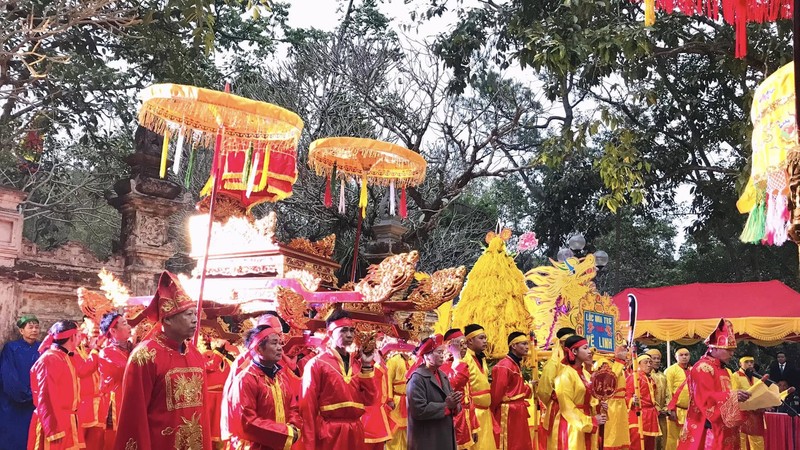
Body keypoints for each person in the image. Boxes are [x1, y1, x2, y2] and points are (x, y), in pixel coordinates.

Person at [113, 271, 212, 450]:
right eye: (188, 315)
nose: (195, 320)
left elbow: (203, 414)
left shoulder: (195, 354)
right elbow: (134, 417)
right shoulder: (145, 356)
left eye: (194, 314)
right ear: (168, 319)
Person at [299, 309, 377, 450]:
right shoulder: (317, 364)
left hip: (355, 431)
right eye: (343, 330)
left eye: (352, 330)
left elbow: (370, 400)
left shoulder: (357, 364)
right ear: (330, 333)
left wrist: (366, 365)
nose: (349, 335)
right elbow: (307, 409)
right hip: (329, 433)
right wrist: (309, 444)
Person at [677, 319, 750, 450]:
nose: (732, 354)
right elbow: (705, 399)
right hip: (707, 427)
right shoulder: (703, 367)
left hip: (724, 425)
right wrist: (732, 395)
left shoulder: (723, 369)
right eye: (729, 350)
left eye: (733, 350)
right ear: (715, 348)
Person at [225, 324, 301, 450]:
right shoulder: (246, 379)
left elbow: (293, 408)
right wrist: (286, 432)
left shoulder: (281, 376)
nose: (280, 349)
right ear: (259, 349)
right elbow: (247, 421)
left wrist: (294, 427)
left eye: (280, 343)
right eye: (274, 343)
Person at [28, 320, 83, 450]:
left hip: (68, 421)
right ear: (72, 337)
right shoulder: (50, 359)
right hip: (54, 424)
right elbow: (45, 397)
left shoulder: (66, 357)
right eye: (79, 335)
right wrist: (54, 429)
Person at [406, 334, 460, 450]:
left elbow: (452, 402)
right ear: (426, 356)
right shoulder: (417, 378)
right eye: (439, 352)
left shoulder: (443, 376)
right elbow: (419, 410)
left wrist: (456, 404)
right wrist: (447, 405)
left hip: (443, 436)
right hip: (427, 439)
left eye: (443, 353)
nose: (442, 356)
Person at [552, 334, 606, 450]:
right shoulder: (564, 375)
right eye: (585, 348)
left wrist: (599, 406)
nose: (589, 351)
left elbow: (591, 399)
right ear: (574, 351)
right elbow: (567, 407)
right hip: (572, 424)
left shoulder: (586, 374)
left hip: (586, 420)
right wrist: (591, 421)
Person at [0, 314, 41, 450]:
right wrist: (25, 394)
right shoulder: (11, 348)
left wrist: (36, 394)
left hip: (34, 402)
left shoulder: (42, 349)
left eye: (36, 327)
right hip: (13, 403)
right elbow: (8, 375)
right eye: (30, 327)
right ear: (21, 331)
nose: (34, 330)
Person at [490, 331, 534, 450]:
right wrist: (493, 411)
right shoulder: (504, 366)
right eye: (523, 344)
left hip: (518, 410)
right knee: (510, 443)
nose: (527, 347)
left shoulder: (515, 364)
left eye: (527, 344)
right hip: (508, 412)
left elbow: (516, 388)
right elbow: (496, 393)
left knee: (520, 443)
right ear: (513, 346)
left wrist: (530, 387)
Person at [97, 312, 132, 450]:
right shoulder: (106, 352)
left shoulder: (130, 348)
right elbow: (127, 368)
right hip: (116, 404)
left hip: (131, 401)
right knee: (116, 441)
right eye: (124, 324)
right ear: (113, 331)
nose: (129, 327)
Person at [537, 327, 575, 450]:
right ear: (562, 343)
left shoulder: (579, 363)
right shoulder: (552, 364)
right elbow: (543, 391)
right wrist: (554, 402)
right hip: (559, 410)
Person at [441, 328, 478, 449]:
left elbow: (468, 396)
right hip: (452, 420)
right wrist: (457, 358)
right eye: (460, 344)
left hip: (466, 419)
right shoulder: (443, 367)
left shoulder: (462, 363)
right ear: (450, 346)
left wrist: (474, 425)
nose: (464, 347)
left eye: (465, 344)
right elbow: (454, 384)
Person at [462, 323, 496, 450]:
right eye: (481, 338)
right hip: (474, 413)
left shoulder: (481, 358)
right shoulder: (464, 358)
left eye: (485, 338)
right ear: (470, 340)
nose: (485, 341)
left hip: (485, 413)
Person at [595, 346, 630, 450]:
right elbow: (609, 381)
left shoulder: (618, 364)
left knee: (621, 437)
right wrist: (620, 360)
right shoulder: (603, 362)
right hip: (610, 404)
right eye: (623, 349)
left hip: (621, 405)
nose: (625, 352)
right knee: (611, 437)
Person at [627, 354, 661, 450]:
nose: (649, 365)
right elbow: (626, 395)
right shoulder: (634, 377)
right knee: (637, 444)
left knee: (649, 444)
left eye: (650, 362)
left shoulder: (651, 379)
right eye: (645, 362)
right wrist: (632, 400)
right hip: (638, 414)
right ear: (638, 364)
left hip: (650, 416)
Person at [203, 339, 231, 449]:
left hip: (222, 401)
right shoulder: (204, 355)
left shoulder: (228, 359)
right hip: (209, 400)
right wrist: (218, 351)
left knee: (220, 437)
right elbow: (210, 367)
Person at [732, 356, 764, 450]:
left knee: (758, 439)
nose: (750, 364)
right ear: (740, 364)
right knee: (741, 440)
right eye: (746, 362)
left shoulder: (757, 377)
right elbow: (734, 393)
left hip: (756, 413)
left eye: (752, 362)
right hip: (742, 412)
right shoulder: (735, 376)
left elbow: (762, 393)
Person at [664, 348, 691, 450]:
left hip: (690, 411)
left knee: (688, 437)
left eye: (686, 354)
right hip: (676, 410)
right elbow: (668, 391)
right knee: (673, 438)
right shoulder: (670, 370)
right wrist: (671, 410)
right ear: (676, 357)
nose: (684, 357)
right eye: (681, 355)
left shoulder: (692, 370)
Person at [384, 349, 412, 450]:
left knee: (409, 430)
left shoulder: (414, 361)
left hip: (410, 401)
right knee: (394, 429)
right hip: (396, 400)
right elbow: (388, 380)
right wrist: (390, 399)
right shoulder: (393, 360)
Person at [645, 349, 667, 450]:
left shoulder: (663, 376)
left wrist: (666, 408)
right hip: (652, 414)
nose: (657, 361)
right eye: (654, 359)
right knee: (653, 440)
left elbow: (668, 394)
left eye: (658, 358)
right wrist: (657, 409)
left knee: (663, 440)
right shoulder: (647, 377)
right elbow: (648, 396)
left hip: (663, 414)